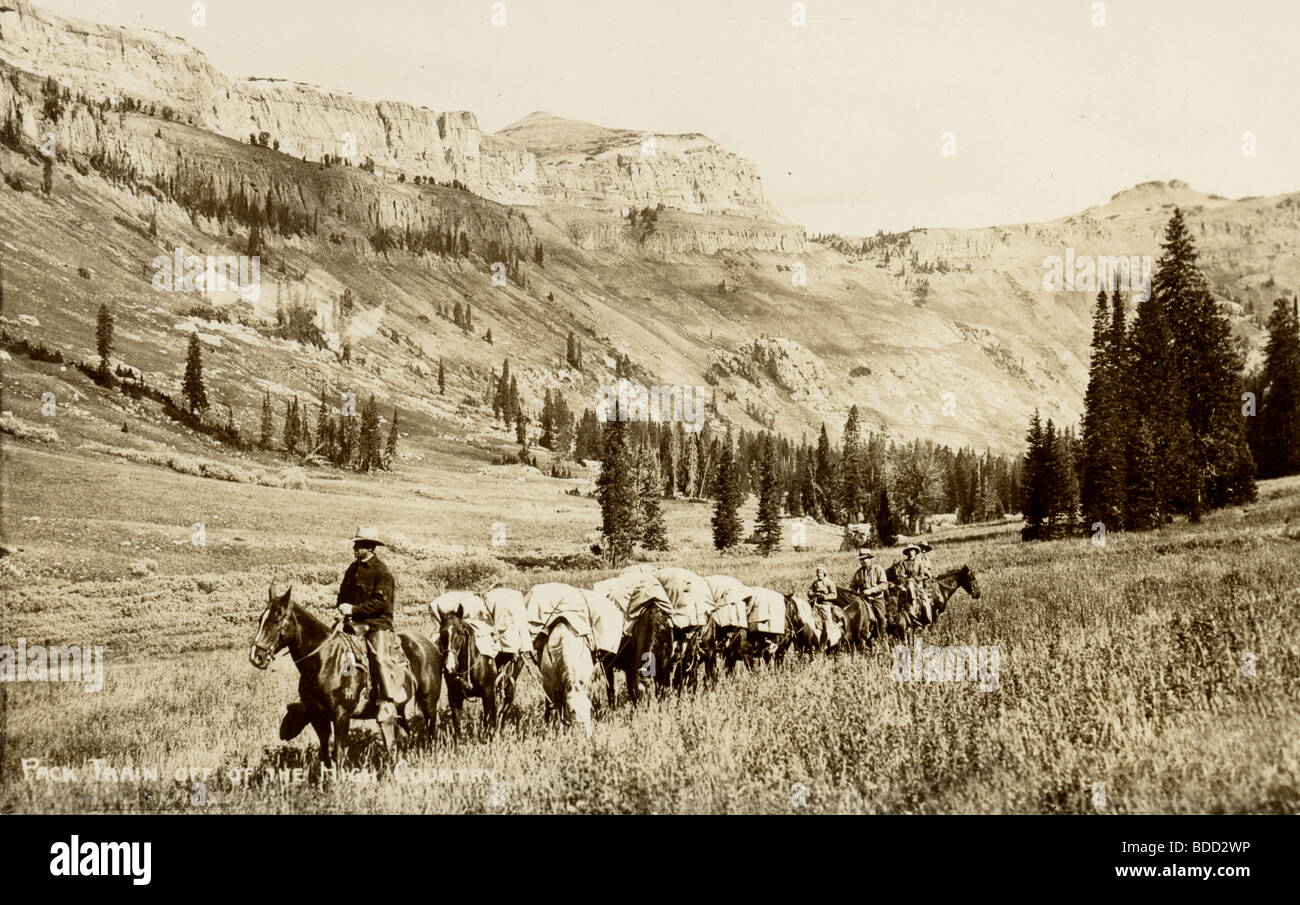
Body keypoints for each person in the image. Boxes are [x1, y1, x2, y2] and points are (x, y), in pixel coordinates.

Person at [337, 526, 399, 720]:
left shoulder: (382, 572)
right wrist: (340, 608)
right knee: (340, 654)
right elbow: (343, 595)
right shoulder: (352, 568)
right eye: (355, 544)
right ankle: (348, 693)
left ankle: (387, 701)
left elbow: (381, 603)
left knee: (380, 658)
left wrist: (354, 610)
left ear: (371, 548)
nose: (355, 547)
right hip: (352, 624)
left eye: (360, 544)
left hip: (376, 624)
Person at [894, 544, 931, 624]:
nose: (911, 553)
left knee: (925, 602)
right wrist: (906, 578)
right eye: (909, 551)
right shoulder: (903, 563)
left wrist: (915, 580)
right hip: (906, 584)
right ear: (907, 553)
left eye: (912, 551)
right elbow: (900, 574)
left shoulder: (919, 563)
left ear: (915, 552)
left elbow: (921, 575)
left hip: (917, 585)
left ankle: (926, 620)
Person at [808, 565, 839, 648]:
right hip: (816, 604)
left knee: (827, 621)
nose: (819, 575)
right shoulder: (814, 583)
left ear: (824, 573)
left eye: (820, 573)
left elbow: (834, 595)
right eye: (817, 573)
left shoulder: (829, 582)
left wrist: (825, 597)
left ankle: (830, 638)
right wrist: (814, 594)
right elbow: (809, 592)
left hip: (825, 604)